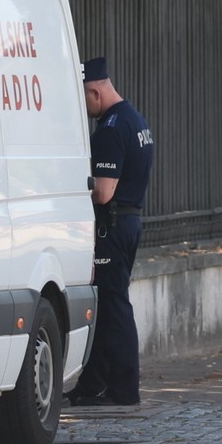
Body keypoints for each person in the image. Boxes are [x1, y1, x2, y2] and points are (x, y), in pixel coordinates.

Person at [66, 57, 155, 407]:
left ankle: (122, 388)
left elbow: (103, 192)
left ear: (95, 91)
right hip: (128, 222)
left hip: (112, 227)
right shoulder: (134, 119)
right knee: (105, 304)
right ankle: (94, 384)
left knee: (113, 305)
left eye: (84, 98)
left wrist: (71, 192)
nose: (83, 108)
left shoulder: (110, 129)